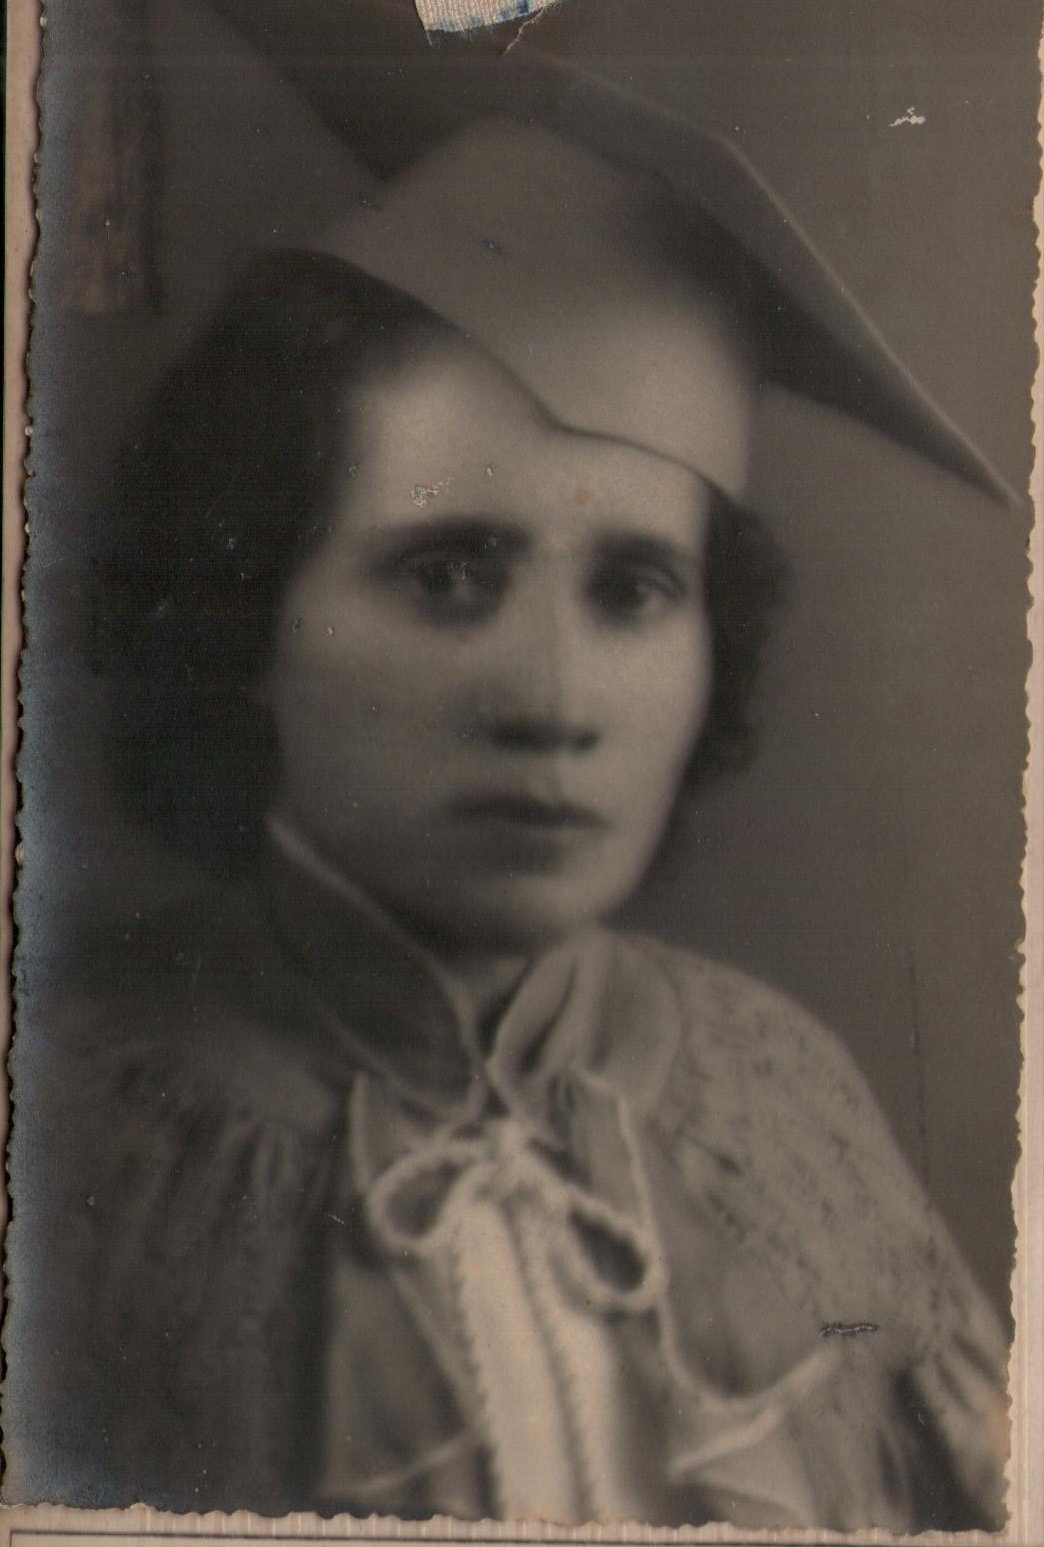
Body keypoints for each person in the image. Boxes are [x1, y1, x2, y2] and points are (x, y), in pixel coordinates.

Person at [8, 113, 1010, 1529]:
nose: (554, 701)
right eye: (447, 575)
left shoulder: (784, 1099)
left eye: (634, 591)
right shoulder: (70, 1126)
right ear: (246, 619)